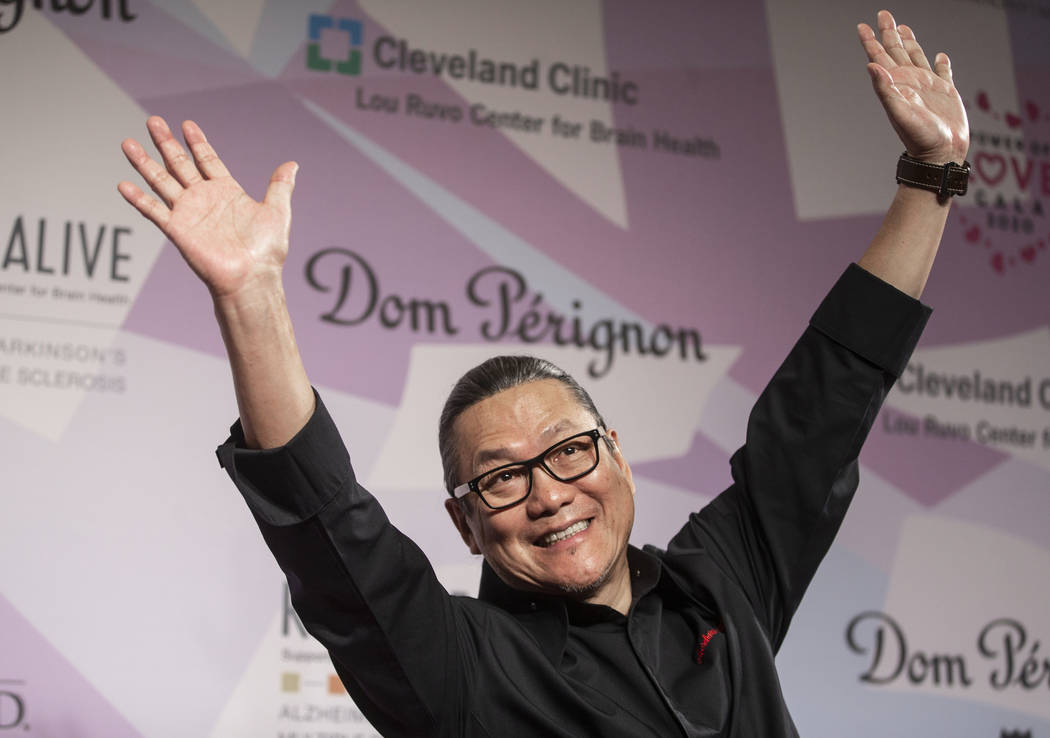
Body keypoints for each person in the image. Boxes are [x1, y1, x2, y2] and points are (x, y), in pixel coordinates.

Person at [118, 11, 969, 737]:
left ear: (618, 457)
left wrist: (931, 178)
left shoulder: (722, 583)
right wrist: (251, 293)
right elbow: (328, 528)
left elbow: (820, 411)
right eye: (501, 478)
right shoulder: (458, 669)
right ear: (463, 524)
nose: (550, 493)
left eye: (568, 451)